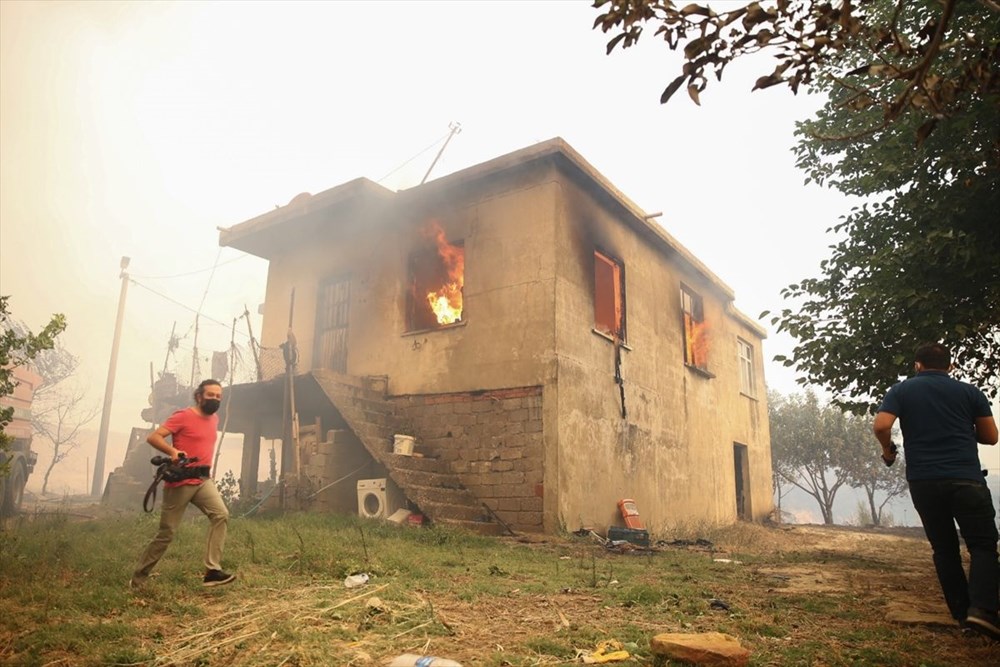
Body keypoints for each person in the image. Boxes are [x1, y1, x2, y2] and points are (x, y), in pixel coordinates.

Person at [873, 342, 999, 640]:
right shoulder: (970, 392)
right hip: (965, 479)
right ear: (950, 366)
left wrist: (888, 450)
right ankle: (982, 611)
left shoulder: (901, 391)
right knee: (982, 546)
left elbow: (881, 425)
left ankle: (962, 615)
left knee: (944, 549)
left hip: (924, 481)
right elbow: (991, 436)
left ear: (917, 365)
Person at [131, 379, 235, 588]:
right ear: (199, 396)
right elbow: (154, 437)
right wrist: (172, 451)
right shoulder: (184, 416)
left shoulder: (214, 419)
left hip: (203, 480)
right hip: (181, 480)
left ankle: (212, 571)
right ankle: (138, 578)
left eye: (218, 397)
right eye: (210, 395)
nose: (215, 399)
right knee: (167, 532)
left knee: (221, 515)